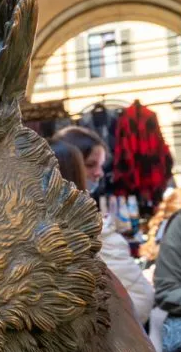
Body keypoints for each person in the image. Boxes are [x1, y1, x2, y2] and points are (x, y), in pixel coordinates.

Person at [50, 136, 154, 324]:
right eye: (90, 165)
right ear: (72, 171)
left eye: (101, 166)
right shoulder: (93, 232)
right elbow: (139, 302)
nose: (98, 173)